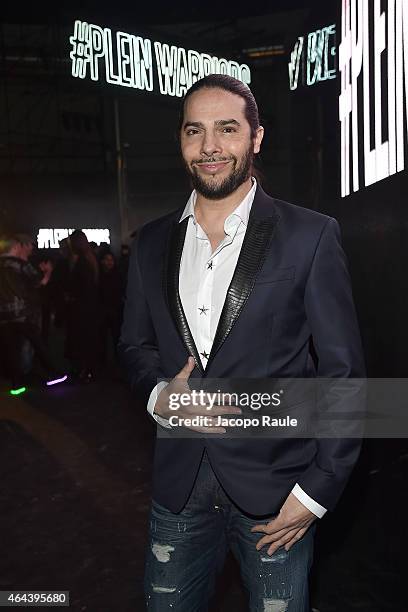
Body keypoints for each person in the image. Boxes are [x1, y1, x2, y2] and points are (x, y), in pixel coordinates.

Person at [119, 75, 365, 611]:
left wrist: (317, 493)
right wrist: (158, 395)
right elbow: (134, 346)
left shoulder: (310, 235)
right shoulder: (152, 242)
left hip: (279, 492)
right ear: (181, 141)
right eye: (195, 131)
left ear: (255, 138)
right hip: (177, 489)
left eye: (226, 129)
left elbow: (344, 374)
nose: (209, 146)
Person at [0, 234, 62, 388]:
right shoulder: (21, 264)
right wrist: (48, 271)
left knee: (12, 349)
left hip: (3, 315)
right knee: (38, 343)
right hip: (22, 313)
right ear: (15, 247)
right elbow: (40, 283)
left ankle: (17, 385)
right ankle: (55, 374)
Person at [65, 230, 99, 382]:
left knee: (80, 340)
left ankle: (84, 371)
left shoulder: (81, 262)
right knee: (88, 339)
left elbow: (80, 287)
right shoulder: (90, 260)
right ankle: (88, 370)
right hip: (89, 307)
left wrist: (71, 296)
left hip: (81, 308)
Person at [98, 251, 123, 365]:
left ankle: (117, 362)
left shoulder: (117, 275)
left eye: (111, 260)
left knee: (115, 338)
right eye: (106, 260)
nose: (109, 262)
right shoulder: (99, 275)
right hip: (104, 311)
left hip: (114, 311)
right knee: (103, 338)